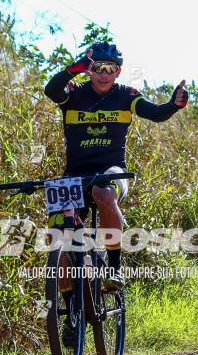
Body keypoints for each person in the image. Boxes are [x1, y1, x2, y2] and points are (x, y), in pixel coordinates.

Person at [43, 42, 189, 290]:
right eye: (98, 67)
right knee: (61, 238)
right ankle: (70, 319)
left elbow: (155, 113)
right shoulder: (74, 92)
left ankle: (114, 269)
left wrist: (174, 105)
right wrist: (72, 70)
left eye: (110, 69)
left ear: (118, 72)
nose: (104, 74)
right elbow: (51, 90)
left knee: (103, 191)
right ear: (89, 70)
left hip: (112, 171)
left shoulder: (126, 95)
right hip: (76, 174)